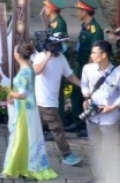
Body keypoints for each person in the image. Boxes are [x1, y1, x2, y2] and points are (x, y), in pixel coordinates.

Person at [0, 42, 57, 180]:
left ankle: (15, 165)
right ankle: (22, 164)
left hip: (24, 109)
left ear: (18, 55)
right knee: (26, 136)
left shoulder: (25, 71)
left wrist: (9, 92)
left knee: (19, 136)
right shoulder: (29, 68)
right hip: (27, 106)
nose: (13, 53)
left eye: (14, 51)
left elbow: (22, 94)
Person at [31, 32, 83, 166]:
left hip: (50, 101)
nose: (62, 46)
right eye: (59, 44)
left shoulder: (61, 58)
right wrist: (47, 57)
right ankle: (67, 154)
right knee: (57, 128)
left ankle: (26, 150)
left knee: (37, 127)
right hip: (44, 101)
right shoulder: (40, 56)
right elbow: (36, 70)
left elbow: (70, 75)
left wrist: (82, 85)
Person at [81, 41, 120, 183]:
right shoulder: (87, 69)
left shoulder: (118, 73)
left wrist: (113, 107)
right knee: (95, 147)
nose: (92, 55)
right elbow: (84, 84)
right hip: (92, 116)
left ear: (104, 55)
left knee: (108, 148)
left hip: (110, 118)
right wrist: (86, 97)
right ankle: (98, 176)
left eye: (94, 53)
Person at [66, 0, 104, 136]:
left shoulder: (95, 30)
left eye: (79, 10)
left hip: (89, 66)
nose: (77, 12)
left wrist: (88, 69)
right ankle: (78, 121)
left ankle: (86, 125)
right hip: (81, 64)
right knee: (77, 93)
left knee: (87, 96)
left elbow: (95, 53)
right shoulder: (85, 26)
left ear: (85, 12)